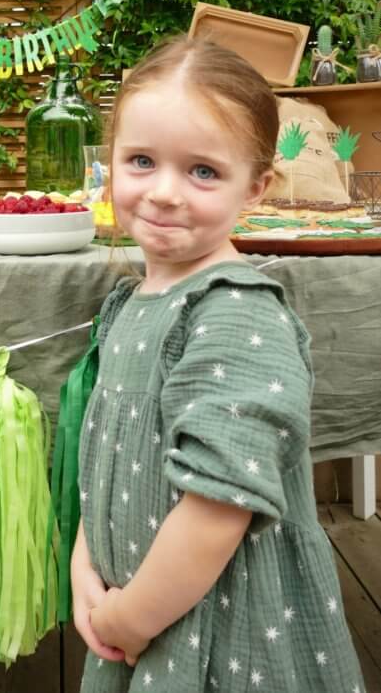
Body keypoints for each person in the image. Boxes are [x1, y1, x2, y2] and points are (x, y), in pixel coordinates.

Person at [71, 35, 365, 692]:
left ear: (253, 186)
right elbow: (112, 454)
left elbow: (215, 509)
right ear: (108, 164)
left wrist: (127, 617)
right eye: (140, 161)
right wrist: (84, 568)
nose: (165, 193)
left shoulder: (233, 315)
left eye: (202, 171)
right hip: (139, 613)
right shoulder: (131, 300)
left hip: (219, 631)